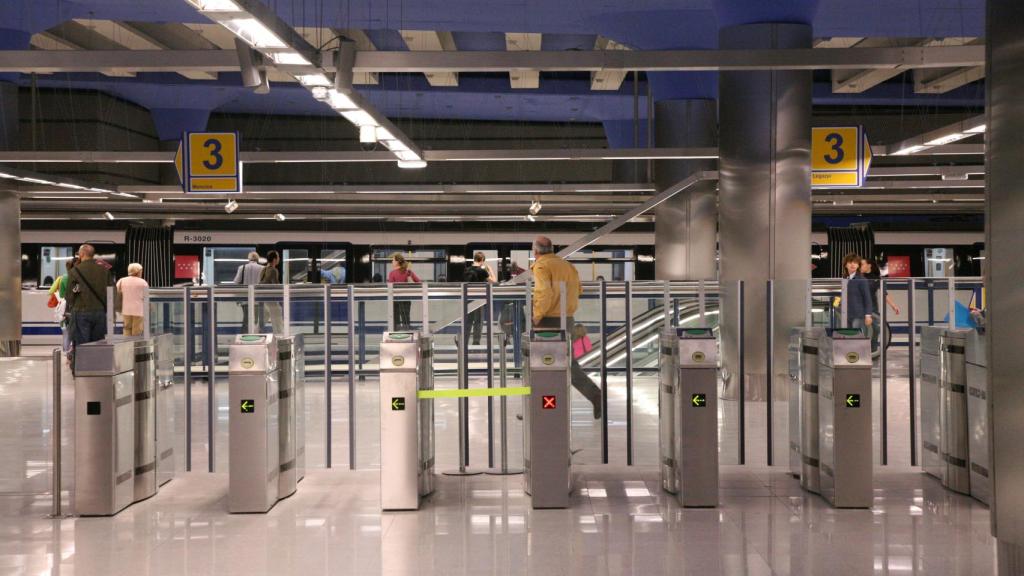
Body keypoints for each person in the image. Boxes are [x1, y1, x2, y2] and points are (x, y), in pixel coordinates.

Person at [531, 235, 602, 419]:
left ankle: (540, 406)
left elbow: (544, 293)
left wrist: (537, 316)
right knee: (567, 364)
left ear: (535, 251)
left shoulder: (541, 266)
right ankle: (592, 394)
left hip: (548, 321)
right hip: (567, 319)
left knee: (543, 363)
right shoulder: (567, 265)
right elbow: (579, 289)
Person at [66, 244, 113, 356]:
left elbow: (69, 295)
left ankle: (82, 368)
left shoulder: (74, 271)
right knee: (97, 342)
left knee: (81, 344)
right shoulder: (104, 270)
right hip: (100, 312)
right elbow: (111, 291)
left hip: (81, 311)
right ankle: (96, 367)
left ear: (81, 254)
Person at [860, 258, 900, 353]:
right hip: (860, 307)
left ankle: (872, 352)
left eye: (862, 264)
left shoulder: (876, 278)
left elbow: (884, 293)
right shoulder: (857, 277)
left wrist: (893, 306)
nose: (860, 266)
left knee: (875, 329)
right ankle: (862, 352)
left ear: (869, 265)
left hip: (872, 307)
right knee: (863, 329)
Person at [48, 257, 78, 354]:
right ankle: (73, 353)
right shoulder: (78, 277)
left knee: (66, 334)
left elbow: (61, 295)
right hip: (76, 309)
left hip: (65, 310)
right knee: (75, 334)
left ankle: (66, 355)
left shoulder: (63, 278)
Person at [842, 253, 875, 337]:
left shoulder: (862, 280)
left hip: (858, 315)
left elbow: (867, 299)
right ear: (845, 265)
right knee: (847, 339)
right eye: (850, 262)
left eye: (855, 262)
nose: (853, 264)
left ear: (858, 266)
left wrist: (868, 315)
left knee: (856, 338)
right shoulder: (844, 279)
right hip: (845, 314)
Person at [463, 252, 493, 345]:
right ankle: (476, 342)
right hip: (479, 298)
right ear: (482, 260)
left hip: (468, 298)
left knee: (468, 321)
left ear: (474, 259)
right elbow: (493, 281)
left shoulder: (466, 270)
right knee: (478, 321)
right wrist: (490, 270)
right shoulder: (482, 271)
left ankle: (465, 340)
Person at [388, 253, 420, 329]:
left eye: (393, 260)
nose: (392, 262)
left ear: (397, 262)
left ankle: (397, 335)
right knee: (406, 318)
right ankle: (407, 333)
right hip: (406, 298)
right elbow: (418, 282)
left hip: (395, 299)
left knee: (396, 318)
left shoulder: (392, 273)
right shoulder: (408, 272)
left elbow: (390, 288)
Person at [117, 263, 149, 336]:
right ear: (137, 271)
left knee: (127, 329)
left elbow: (117, 293)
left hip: (126, 309)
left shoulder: (122, 281)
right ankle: (136, 346)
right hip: (138, 310)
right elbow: (146, 297)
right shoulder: (143, 282)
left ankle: (127, 346)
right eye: (141, 271)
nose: (141, 272)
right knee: (137, 330)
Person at [234, 251, 263, 332]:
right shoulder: (262, 268)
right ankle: (253, 336)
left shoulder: (242, 268)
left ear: (249, 259)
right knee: (255, 320)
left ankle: (244, 335)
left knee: (246, 318)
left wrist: (237, 299)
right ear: (257, 259)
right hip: (257, 299)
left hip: (245, 299)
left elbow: (236, 282)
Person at [260, 250, 283, 334]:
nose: (279, 259)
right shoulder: (273, 270)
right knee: (277, 320)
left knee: (262, 321)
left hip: (264, 299)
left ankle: (255, 334)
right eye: (278, 257)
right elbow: (276, 286)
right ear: (274, 259)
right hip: (271, 299)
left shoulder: (264, 269)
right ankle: (279, 337)